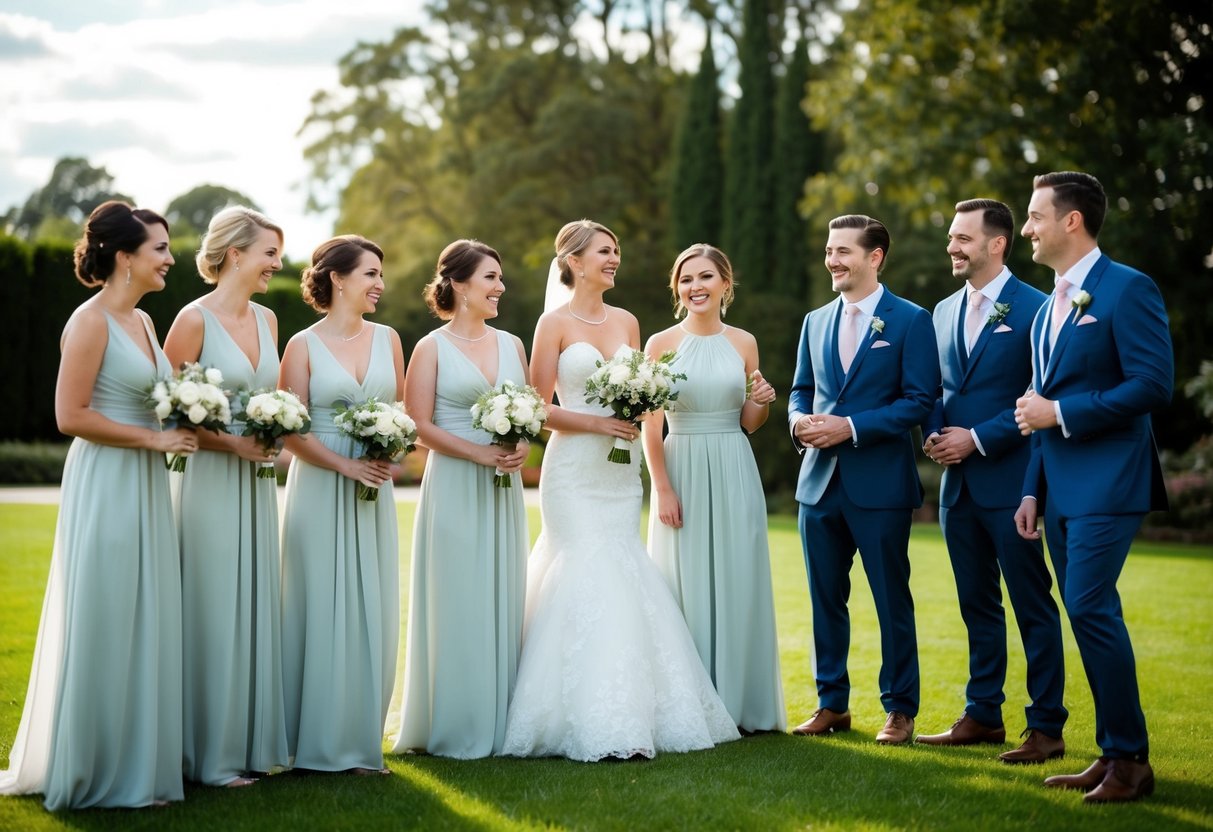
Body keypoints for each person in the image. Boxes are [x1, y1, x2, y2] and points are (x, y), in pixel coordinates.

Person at [501, 220, 739, 761]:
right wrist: (595, 423)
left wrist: (637, 412)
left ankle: (634, 708)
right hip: (574, 470)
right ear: (575, 261)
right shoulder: (552, 324)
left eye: (616, 251)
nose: (615, 259)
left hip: (620, 470)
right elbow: (536, 406)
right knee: (586, 568)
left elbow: (646, 399)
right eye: (605, 251)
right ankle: (585, 717)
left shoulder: (628, 321)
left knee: (622, 566)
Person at [0, 201, 195, 810]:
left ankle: (136, 764)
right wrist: (153, 440)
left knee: (145, 611)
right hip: (108, 478)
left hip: (145, 479)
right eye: (160, 249)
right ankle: (92, 768)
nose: (170, 259)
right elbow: (70, 415)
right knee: (107, 608)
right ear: (124, 257)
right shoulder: (89, 322)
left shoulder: (143, 322)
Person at [1013, 171, 1172, 803]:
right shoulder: (1046, 307)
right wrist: (1032, 490)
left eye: (1035, 216)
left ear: (1071, 220)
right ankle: (1111, 755)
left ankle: (1131, 761)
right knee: (1088, 611)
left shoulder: (1128, 288)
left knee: (1086, 604)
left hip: (1110, 478)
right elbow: (1037, 408)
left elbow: (1152, 384)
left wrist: (1062, 413)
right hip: (1057, 489)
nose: (1027, 228)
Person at [916, 199, 1067, 760]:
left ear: (997, 244)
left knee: (1032, 605)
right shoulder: (941, 311)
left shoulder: (1038, 308)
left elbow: (1039, 397)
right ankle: (982, 715)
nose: (952, 247)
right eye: (951, 237)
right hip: (957, 489)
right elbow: (934, 388)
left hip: (1013, 483)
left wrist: (976, 438)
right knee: (976, 604)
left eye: (963, 238)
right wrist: (935, 432)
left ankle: (1046, 726)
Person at [788, 214, 938, 745]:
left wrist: (850, 427)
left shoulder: (912, 320)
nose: (832, 260)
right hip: (818, 485)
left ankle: (900, 709)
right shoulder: (815, 320)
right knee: (824, 599)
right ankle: (831, 704)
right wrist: (797, 423)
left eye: (843, 251)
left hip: (881, 485)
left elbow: (919, 401)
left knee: (891, 600)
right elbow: (801, 390)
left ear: (874, 257)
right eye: (829, 250)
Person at [388, 240, 530, 758]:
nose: (500, 287)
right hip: (453, 482)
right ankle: (455, 719)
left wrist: (519, 443)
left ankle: (503, 717)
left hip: (503, 487)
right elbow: (418, 424)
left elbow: (527, 409)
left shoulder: (513, 345)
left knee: (503, 590)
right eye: (491, 278)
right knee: (457, 594)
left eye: (500, 278)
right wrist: (476, 454)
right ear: (460, 285)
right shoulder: (431, 348)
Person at [162, 206, 289, 787]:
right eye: (269, 253)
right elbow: (166, 410)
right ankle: (205, 756)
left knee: (253, 601)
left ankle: (246, 745)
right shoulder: (193, 320)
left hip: (257, 484)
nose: (277, 264)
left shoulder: (268, 319)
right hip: (210, 478)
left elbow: (272, 398)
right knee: (212, 604)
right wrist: (232, 444)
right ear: (236, 254)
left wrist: (273, 432)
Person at [643, 243, 785, 734]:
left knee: (738, 576)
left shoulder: (744, 342)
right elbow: (650, 426)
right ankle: (691, 706)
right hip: (681, 464)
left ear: (725, 283)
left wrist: (762, 400)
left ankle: (740, 704)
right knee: (682, 581)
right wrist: (662, 487)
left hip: (733, 465)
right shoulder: (660, 343)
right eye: (685, 279)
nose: (695, 287)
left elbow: (750, 421)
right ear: (677, 289)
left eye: (705, 277)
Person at [278, 235, 405, 775]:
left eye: (380, 274)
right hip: (320, 484)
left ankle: (359, 740)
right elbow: (290, 429)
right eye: (371, 273)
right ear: (337, 278)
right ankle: (313, 743)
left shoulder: (389, 339)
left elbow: (400, 410)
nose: (380, 284)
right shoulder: (301, 345)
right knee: (319, 602)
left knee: (371, 602)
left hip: (372, 484)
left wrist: (389, 449)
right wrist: (344, 465)